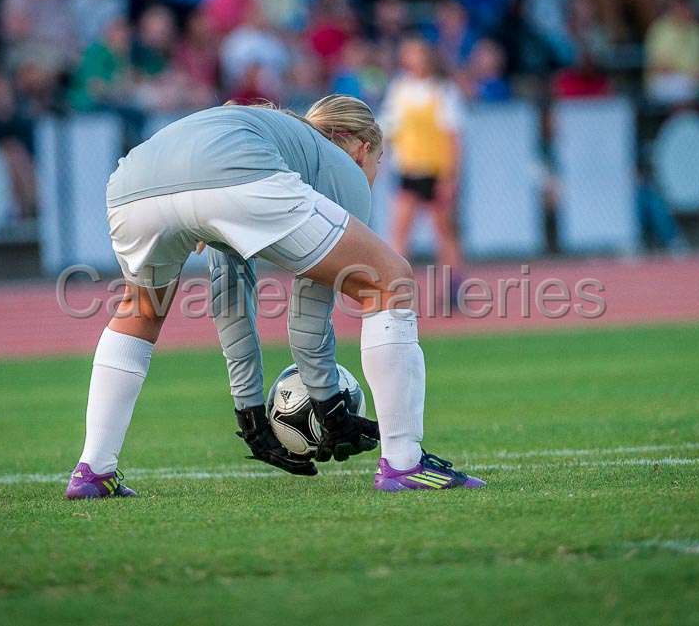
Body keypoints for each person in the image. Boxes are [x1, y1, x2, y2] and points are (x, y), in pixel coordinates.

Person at [65, 95, 485, 498]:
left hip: (130, 186)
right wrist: (328, 403)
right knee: (391, 279)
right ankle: (405, 463)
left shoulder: (270, 138)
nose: (373, 174)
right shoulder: (344, 170)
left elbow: (229, 294)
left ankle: (93, 470)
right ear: (361, 147)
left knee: (141, 311)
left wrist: (249, 411)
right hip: (222, 170)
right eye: (378, 162)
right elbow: (308, 313)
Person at [380, 36, 465, 288]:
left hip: (436, 169)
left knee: (444, 231)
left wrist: (450, 176)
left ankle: (453, 286)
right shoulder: (399, 89)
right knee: (400, 229)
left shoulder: (443, 90)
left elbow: (454, 136)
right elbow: (390, 128)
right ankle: (395, 285)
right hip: (408, 168)